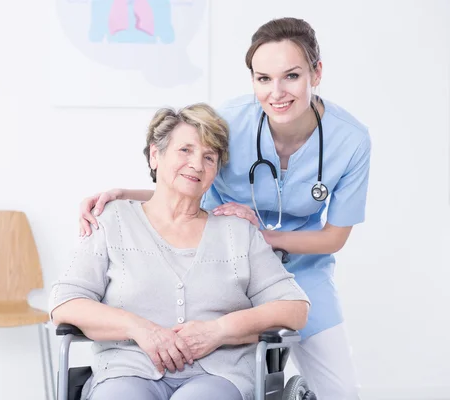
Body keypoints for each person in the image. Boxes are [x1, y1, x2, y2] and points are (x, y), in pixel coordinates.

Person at [78, 18, 371, 400]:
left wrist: (256, 236)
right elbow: (184, 178)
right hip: (217, 260)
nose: (276, 92)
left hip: (299, 266)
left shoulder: (349, 140)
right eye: (263, 78)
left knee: (342, 392)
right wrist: (124, 193)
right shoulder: (228, 122)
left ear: (316, 73)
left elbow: (333, 237)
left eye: (292, 76)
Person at [51, 103, 310, 400]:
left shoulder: (237, 232)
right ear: (155, 155)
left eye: (209, 157)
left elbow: (294, 307)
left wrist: (219, 330)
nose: (197, 164)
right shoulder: (113, 221)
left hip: (219, 374)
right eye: (185, 150)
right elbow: (65, 302)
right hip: (126, 370)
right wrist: (139, 328)